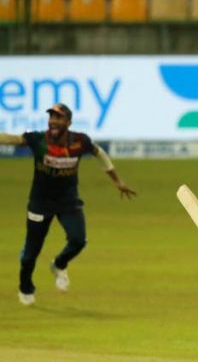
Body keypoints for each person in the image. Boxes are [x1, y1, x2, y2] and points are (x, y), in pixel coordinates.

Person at [0, 103, 136, 306]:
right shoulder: (39, 139)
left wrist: (116, 180)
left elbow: (99, 153)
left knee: (78, 240)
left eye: (59, 117)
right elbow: (13, 139)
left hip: (67, 201)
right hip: (40, 203)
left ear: (68, 122)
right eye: (51, 117)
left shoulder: (80, 141)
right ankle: (25, 288)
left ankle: (59, 264)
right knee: (30, 255)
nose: (53, 121)